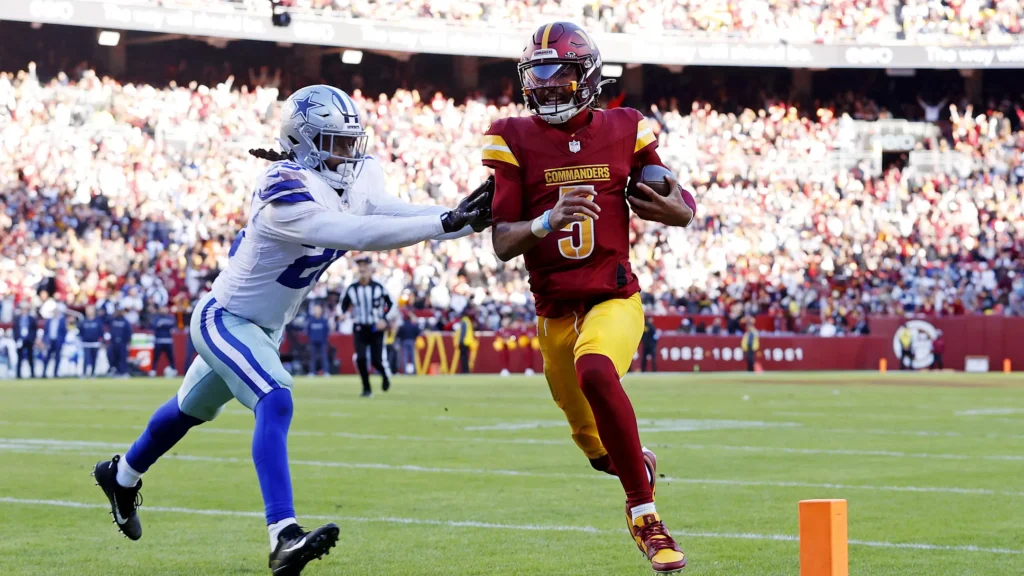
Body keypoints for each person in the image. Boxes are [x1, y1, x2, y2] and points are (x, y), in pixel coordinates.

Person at [91, 84, 491, 576]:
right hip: (224, 318)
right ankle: (283, 535)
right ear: (304, 141)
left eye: (350, 141)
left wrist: (462, 221)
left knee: (189, 410)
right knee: (276, 397)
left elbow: (385, 210)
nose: (348, 153)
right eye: (335, 142)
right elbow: (358, 234)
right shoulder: (282, 190)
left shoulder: (356, 176)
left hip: (263, 328)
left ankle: (122, 474)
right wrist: (444, 223)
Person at [485, 22, 695, 575]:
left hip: (613, 297)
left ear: (589, 76)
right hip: (554, 311)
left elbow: (672, 192)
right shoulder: (510, 134)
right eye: (539, 76)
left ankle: (645, 516)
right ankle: (629, 468)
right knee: (597, 450)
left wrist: (682, 208)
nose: (549, 87)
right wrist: (546, 220)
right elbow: (503, 242)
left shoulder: (627, 127)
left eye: (561, 75)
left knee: (598, 371)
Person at [342, 257, 397, 396]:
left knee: (376, 360)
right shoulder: (352, 288)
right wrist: (342, 314)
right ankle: (366, 388)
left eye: (365, 267)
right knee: (360, 358)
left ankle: (384, 374)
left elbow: (392, 304)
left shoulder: (379, 286)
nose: (362, 270)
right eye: (360, 267)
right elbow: (342, 305)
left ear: (370, 270)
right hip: (360, 327)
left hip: (375, 328)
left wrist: (384, 319)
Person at [150, 305, 177, 377]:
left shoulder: (170, 317)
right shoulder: (156, 317)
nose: (163, 310)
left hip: (168, 341)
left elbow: (172, 324)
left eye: (165, 308)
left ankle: (173, 370)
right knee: (156, 357)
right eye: (162, 308)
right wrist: (165, 325)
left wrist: (162, 325)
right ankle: (153, 371)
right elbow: (155, 326)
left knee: (171, 357)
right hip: (159, 341)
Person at [14, 302, 38, 379]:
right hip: (20, 340)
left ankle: (32, 374)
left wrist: (32, 339)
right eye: (22, 309)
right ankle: (18, 374)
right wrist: (17, 339)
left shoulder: (31, 318)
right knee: (19, 358)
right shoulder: (17, 318)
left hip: (29, 340)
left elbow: (34, 330)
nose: (23, 310)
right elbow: (15, 330)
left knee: (30, 357)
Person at [79, 306, 104, 378]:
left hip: (95, 343)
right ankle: (84, 373)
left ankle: (93, 373)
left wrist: (101, 341)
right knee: (86, 359)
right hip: (86, 343)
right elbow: (80, 331)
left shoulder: (98, 321)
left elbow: (101, 332)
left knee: (94, 358)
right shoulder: (84, 321)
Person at [305, 305, 330, 376]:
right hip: (313, 341)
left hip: (322, 342)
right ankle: (312, 372)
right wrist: (311, 338)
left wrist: (325, 339)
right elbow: (308, 330)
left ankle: (326, 372)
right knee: (312, 357)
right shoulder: (311, 320)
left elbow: (326, 331)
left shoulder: (323, 320)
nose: (317, 311)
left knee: (324, 357)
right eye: (315, 310)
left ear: (321, 311)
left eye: (318, 310)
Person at [108, 309, 133, 377]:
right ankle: (117, 372)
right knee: (114, 357)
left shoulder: (125, 321)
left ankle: (124, 372)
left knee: (123, 358)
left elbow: (129, 332)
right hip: (114, 343)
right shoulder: (112, 320)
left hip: (122, 343)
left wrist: (129, 342)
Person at [43, 310, 68, 378]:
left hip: (58, 341)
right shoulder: (48, 321)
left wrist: (62, 341)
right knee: (47, 357)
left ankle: (55, 373)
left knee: (57, 358)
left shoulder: (61, 321)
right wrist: (45, 341)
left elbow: (64, 332)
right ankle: (44, 373)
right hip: (50, 341)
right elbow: (45, 332)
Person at [452, 308, 476, 374]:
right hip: (468, 341)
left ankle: (465, 371)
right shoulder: (468, 321)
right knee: (465, 357)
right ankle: (466, 370)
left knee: (464, 357)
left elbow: (463, 332)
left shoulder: (464, 321)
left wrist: (460, 341)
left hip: (464, 342)